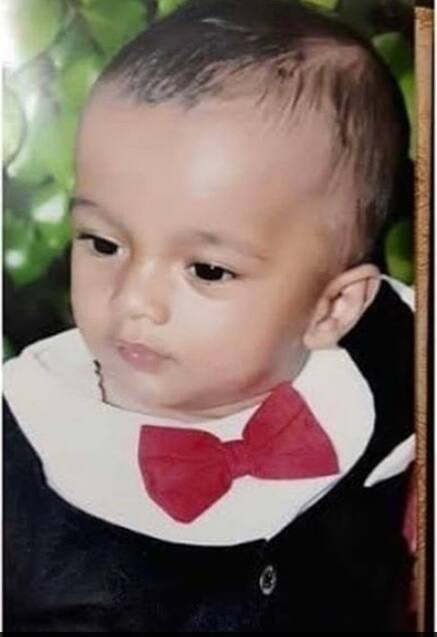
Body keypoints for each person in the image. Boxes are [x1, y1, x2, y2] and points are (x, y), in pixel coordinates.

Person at [3, 0, 415, 631]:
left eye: (207, 270)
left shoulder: (383, 354)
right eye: (103, 244)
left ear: (334, 307)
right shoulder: (25, 454)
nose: (134, 300)